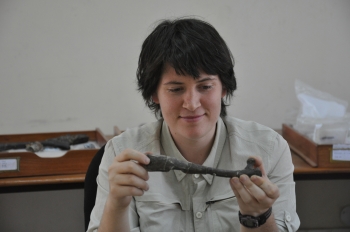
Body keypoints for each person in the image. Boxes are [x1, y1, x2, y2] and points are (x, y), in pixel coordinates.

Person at [87, 17, 300, 232]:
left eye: (205, 86)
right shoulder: (121, 153)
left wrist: (257, 216)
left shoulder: (270, 150)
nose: (192, 104)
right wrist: (117, 204)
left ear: (223, 88)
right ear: (154, 94)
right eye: (176, 89)